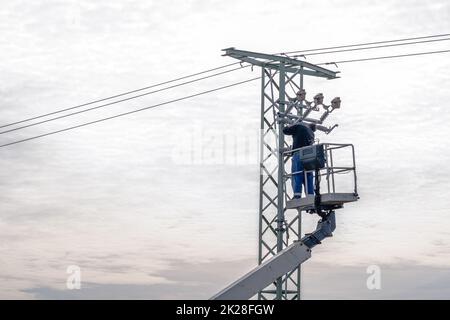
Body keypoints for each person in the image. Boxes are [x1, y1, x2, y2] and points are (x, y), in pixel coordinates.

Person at [283, 121, 316, 199]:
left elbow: (285, 131)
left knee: (297, 174)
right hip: (309, 155)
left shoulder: (299, 127)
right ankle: (310, 195)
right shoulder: (311, 133)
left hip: (299, 153)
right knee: (308, 175)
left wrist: (291, 124)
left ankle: (297, 195)